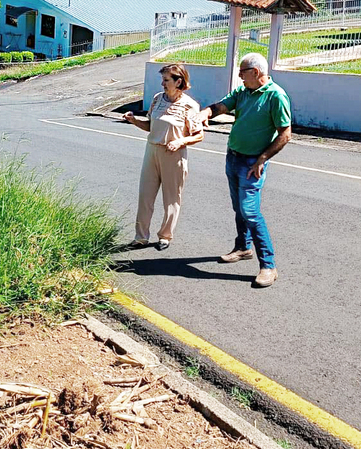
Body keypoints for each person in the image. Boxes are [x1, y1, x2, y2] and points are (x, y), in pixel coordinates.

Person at [198, 52, 291, 288]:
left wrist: (262, 159)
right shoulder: (243, 92)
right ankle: (242, 247)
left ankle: (268, 266)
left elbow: (285, 134)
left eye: (242, 72)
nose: (239, 76)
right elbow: (221, 106)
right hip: (233, 157)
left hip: (252, 163)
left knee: (250, 211)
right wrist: (205, 113)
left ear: (256, 72)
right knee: (238, 207)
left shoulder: (275, 96)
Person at [122, 63, 204, 251]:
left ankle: (165, 236)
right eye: (162, 79)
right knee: (145, 195)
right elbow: (150, 126)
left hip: (173, 155)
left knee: (171, 198)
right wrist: (134, 120)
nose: (162, 83)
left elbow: (199, 134)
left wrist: (180, 141)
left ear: (179, 81)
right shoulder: (158, 99)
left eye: (166, 80)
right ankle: (140, 236)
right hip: (152, 150)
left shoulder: (189, 105)